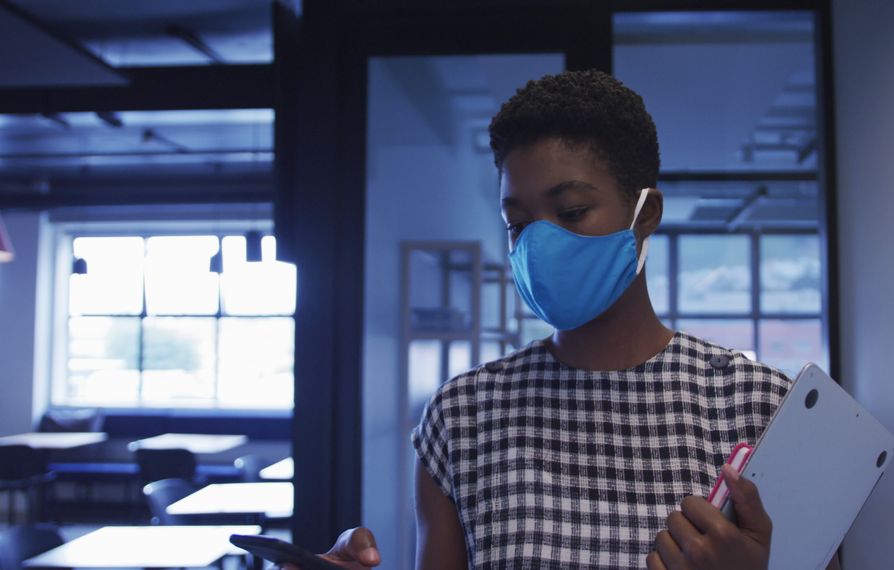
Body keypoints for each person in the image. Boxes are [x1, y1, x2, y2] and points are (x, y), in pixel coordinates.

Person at [296, 70, 840, 569]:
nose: (540, 244)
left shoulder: (761, 409)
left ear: (644, 214)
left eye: (572, 211)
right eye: (518, 224)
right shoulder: (462, 418)